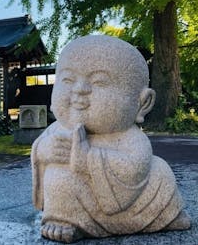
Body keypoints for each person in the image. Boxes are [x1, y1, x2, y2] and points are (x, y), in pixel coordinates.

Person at [31, 35, 191, 243]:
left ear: (142, 103)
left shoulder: (132, 138)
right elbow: (39, 158)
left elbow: (134, 168)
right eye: (68, 79)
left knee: (160, 171)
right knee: (58, 176)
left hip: (135, 205)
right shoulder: (57, 130)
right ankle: (63, 219)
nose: (80, 89)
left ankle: (166, 217)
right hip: (77, 202)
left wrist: (86, 158)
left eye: (99, 81)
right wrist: (43, 151)